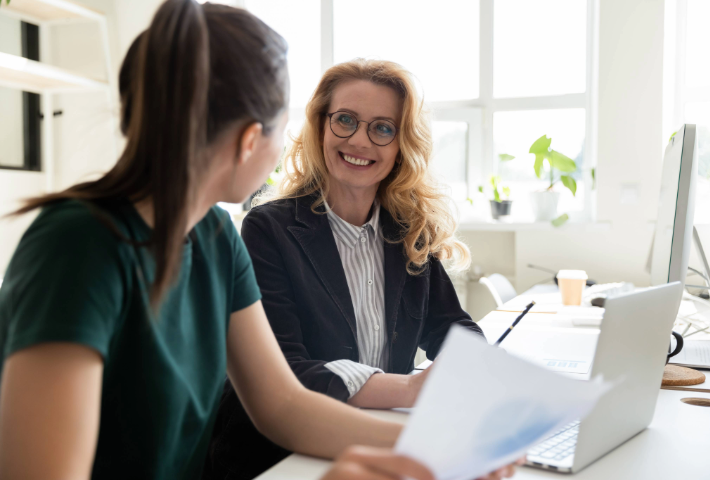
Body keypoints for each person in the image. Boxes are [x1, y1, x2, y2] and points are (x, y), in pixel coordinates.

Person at [0, 3, 440, 479]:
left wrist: (439, 446)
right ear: (251, 140)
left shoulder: (214, 236)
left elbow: (284, 405)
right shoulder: (77, 246)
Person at [207, 59, 512, 479]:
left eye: (382, 128)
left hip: (377, 439)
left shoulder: (410, 231)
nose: (360, 141)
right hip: (284, 456)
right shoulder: (269, 230)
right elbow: (288, 371)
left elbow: (452, 325)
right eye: (345, 120)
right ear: (320, 127)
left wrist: (467, 367)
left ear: (401, 145)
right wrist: (410, 389)